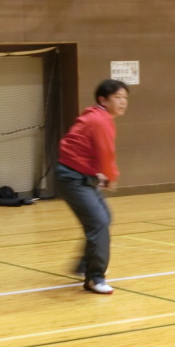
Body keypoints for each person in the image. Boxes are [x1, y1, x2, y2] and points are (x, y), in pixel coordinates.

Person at [55, 79, 129, 295]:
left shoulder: (99, 117)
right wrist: (111, 176)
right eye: (118, 97)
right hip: (72, 178)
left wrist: (98, 173)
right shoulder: (99, 120)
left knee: (104, 217)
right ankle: (94, 278)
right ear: (103, 100)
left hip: (82, 176)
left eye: (125, 98)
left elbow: (87, 150)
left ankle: (85, 264)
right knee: (98, 223)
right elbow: (106, 153)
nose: (123, 102)